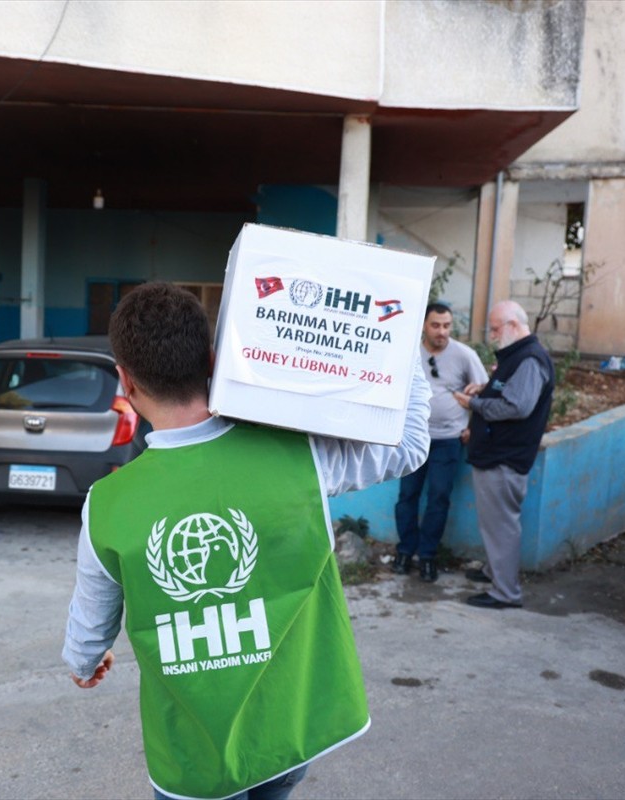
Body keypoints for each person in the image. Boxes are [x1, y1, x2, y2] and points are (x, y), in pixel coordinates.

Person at [62, 282, 431, 800]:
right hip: (287, 734)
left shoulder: (107, 503)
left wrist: (84, 660)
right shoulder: (300, 457)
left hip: (192, 761)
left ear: (125, 381)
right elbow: (411, 444)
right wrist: (399, 335)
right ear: (213, 361)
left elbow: (88, 631)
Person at [454, 300, 553, 610]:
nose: (493, 334)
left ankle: (505, 592)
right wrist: (484, 389)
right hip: (496, 453)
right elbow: (508, 391)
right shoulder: (518, 356)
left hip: (504, 459)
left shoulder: (529, 359)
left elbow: (516, 406)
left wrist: (474, 405)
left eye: (496, 328)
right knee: (494, 524)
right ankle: (493, 572)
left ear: (513, 325)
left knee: (501, 526)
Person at [393, 302, 488, 583]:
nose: (442, 331)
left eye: (447, 325)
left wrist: (474, 425)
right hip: (411, 439)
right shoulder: (410, 352)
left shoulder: (464, 355)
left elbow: (484, 390)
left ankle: (427, 556)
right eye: (436, 325)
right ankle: (404, 551)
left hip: (448, 440)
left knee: (438, 498)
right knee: (407, 496)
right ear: (424, 325)